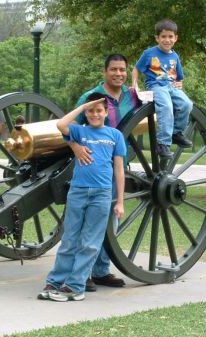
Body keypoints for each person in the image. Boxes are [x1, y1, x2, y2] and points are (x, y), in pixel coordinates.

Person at [38, 93, 126, 302]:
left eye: (99, 110)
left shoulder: (115, 135)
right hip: (77, 191)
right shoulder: (79, 131)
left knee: (90, 242)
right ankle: (56, 282)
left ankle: (76, 286)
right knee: (69, 239)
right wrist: (84, 105)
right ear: (86, 113)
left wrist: (120, 201)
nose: (95, 114)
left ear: (106, 112)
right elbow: (61, 124)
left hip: (102, 193)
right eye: (91, 111)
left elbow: (119, 170)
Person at [69, 53, 140, 292]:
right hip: (93, 165)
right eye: (114, 70)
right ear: (105, 72)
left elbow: (155, 106)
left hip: (117, 161)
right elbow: (70, 125)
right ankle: (84, 273)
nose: (118, 74)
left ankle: (100, 270)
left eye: (122, 70)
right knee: (91, 223)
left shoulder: (133, 96)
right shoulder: (92, 97)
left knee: (112, 220)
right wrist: (76, 147)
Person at [132, 19, 193, 159]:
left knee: (187, 104)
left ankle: (176, 133)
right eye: (163, 36)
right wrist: (134, 84)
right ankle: (163, 144)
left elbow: (179, 76)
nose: (167, 40)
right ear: (157, 38)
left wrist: (180, 83)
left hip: (171, 86)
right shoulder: (149, 53)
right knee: (166, 106)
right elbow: (136, 69)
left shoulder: (175, 56)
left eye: (170, 36)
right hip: (156, 86)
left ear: (176, 38)